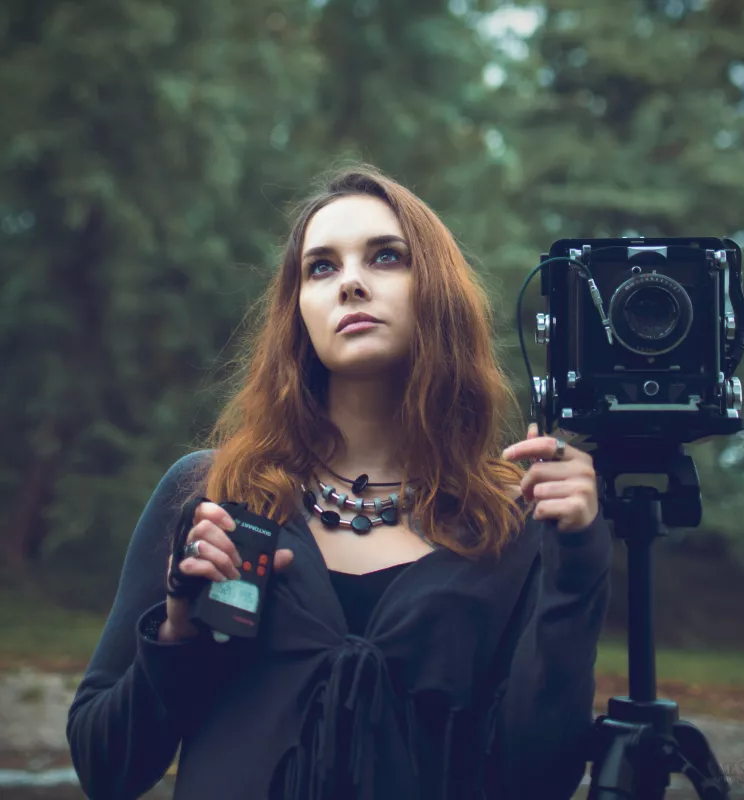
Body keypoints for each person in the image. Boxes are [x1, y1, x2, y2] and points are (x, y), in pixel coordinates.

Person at [66, 164, 613, 800]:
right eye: (320, 267)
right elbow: (104, 771)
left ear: (437, 290)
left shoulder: (511, 518)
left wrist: (576, 568)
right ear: (297, 311)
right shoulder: (214, 495)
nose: (351, 282)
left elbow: (535, 779)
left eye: (385, 257)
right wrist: (179, 628)